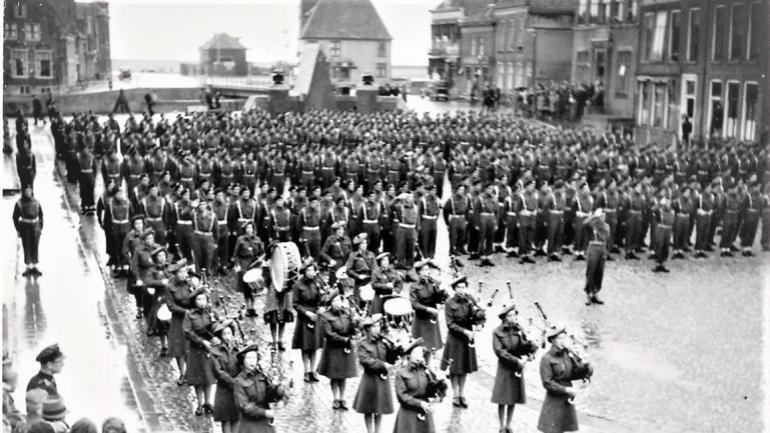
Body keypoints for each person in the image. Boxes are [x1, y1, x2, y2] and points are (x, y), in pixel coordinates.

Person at [491, 304, 538, 433]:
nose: (513, 318)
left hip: (517, 368)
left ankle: (508, 424)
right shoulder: (497, 332)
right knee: (503, 397)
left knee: (513, 397)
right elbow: (500, 352)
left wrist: (532, 347)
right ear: (504, 318)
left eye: (514, 315)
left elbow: (522, 347)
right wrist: (517, 361)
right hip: (505, 366)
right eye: (510, 316)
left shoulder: (518, 330)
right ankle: (501, 425)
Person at [537, 326, 593, 433]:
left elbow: (575, 374)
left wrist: (586, 364)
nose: (562, 341)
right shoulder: (546, 358)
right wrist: (566, 390)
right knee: (552, 429)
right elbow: (547, 383)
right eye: (559, 338)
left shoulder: (567, 356)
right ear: (552, 340)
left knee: (563, 429)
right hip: (554, 399)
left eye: (564, 338)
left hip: (567, 398)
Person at [352, 314, 400, 433]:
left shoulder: (383, 341)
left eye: (378, 326)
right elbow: (366, 361)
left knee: (379, 408)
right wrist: (383, 365)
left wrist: (395, 349)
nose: (377, 329)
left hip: (382, 379)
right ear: (368, 329)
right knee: (368, 409)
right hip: (370, 379)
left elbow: (390, 358)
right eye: (374, 327)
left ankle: (377, 431)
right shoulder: (362, 344)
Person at [441, 276, 483, 408]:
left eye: (463, 287)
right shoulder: (449, 303)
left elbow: (477, 315)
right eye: (458, 287)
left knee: (464, 367)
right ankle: (455, 394)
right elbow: (450, 324)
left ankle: (462, 393)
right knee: (454, 367)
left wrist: (480, 323)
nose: (461, 290)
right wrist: (465, 332)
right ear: (454, 289)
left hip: (467, 337)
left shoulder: (469, 301)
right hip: (455, 337)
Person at [392, 338, 448, 433]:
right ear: (409, 356)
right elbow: (401, 396)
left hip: (424, 411)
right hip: (408, 413)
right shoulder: (401, 373)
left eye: (421, 355)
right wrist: (420, 403)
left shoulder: (425, 371)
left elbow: (430, 391)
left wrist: (439, 381)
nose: (419, 358)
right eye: (416, 354)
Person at [232, 344, 289, 433]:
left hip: (265, 424)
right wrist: (264, 413)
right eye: (249, 358)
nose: (252, 361)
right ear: (243, 360)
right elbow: (244, 406)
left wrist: (279, 393)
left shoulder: (262, 376)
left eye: (254, 358)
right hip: (249, 426)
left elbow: (271, 393)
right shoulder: (238, 381)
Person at [316, 291, 359, 410]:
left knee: (343, 375)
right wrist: (344, 339)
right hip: (333, 348)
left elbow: (352, 330)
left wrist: (355, 322)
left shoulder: (346, 313)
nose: (338, 303)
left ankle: (342, 398)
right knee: (334, 375)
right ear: (330, 303)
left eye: (339, 301)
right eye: (335, 301)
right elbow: (328, 334)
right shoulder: (326, 316)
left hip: (345, 347)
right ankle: (335, 398)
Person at [183, 288, 217, 416]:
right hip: (196, 349)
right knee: (198, 379)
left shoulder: (210, 313)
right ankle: (199, 403)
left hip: (209, 350)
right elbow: (187, 332)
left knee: (208, 378)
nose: (202, 301)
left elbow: (217, 326)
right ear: (194, 301)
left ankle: (208, 402)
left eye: (204, 299)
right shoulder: (189, 314)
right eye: (199, 299)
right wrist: (201, 341)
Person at [409, 260, 447, 364]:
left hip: (432, 318)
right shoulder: (414, 286)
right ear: (419, 272)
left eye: (427, 269)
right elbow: (414, 304)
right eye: (424, 270)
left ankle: (427, 365)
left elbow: (438, 299)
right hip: (421, 318)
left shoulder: (432, 283)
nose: (427, 272)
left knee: (430, 346)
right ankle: (418, 366)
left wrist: (442, 292)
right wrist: (428, 309)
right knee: (420, 347)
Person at [210, 320, 241, 433]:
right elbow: (218, 372)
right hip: (224, 390)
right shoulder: (215, 352)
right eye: (224, 334)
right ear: (221, 337)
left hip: (237, 390)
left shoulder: (238, 349)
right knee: (226, 420)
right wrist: (234, 383)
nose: (227, 336)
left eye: (229, 333)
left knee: (236, 418)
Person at [166, 261, 193, 386]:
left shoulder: (190, 284)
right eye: (181, 272)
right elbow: (171, 305)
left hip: (191, 317)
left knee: (189, 346)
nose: (184, 275)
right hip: (178, 319)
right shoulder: (170, 286)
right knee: (179, 347)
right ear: (175, 273)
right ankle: (182, 373)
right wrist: (184, 311)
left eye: (185, 272)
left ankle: (190, 371)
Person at [232, 221, 265, 317]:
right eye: (247, 228)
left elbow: (262, 252)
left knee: (254, 287)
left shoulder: (257, 239)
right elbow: (236, 254)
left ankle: (253, 308)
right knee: (247, 287)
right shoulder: (240, 239)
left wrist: (261, 258)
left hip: (254, 264)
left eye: (251, 228)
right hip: (244, 264)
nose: (249, 230)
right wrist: (237, 265)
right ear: (245, 229)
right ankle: (248, 308)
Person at [13, 184, 44, 277]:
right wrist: (18, 229)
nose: (28, 193)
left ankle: (35, 265)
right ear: (24, 192)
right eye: (26, 191)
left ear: (32, 191)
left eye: (29, 191)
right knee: (26, 246)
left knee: (35, 245)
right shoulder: (19, 203)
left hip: (35, 227)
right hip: (25, 227)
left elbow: (41, 215)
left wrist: (40, 226)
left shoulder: (36, 202)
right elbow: (15, 217)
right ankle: (28, 266)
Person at [584, 209, 609, 305]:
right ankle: (588, 293)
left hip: (602, 248)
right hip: (593, 248)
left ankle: (595, 292)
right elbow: (585, 223)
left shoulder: (606, 226)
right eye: (601, 216)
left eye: (603, 216)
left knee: (599, 272)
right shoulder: (592, 225)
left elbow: (606, 236)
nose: (602, 217)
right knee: (591, 271)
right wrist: (594, 216)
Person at [345, 233, 377, 307]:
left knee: (370, 304)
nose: (364, 245)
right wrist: (358, 276)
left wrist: (370, 283)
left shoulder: (371, 254)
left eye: (365, 243)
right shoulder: (353, 255)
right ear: (358, 245)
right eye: (362, 244)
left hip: (369, 281)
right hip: (359, 282)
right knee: (357, 304)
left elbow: (375, 270)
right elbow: (348, 270)